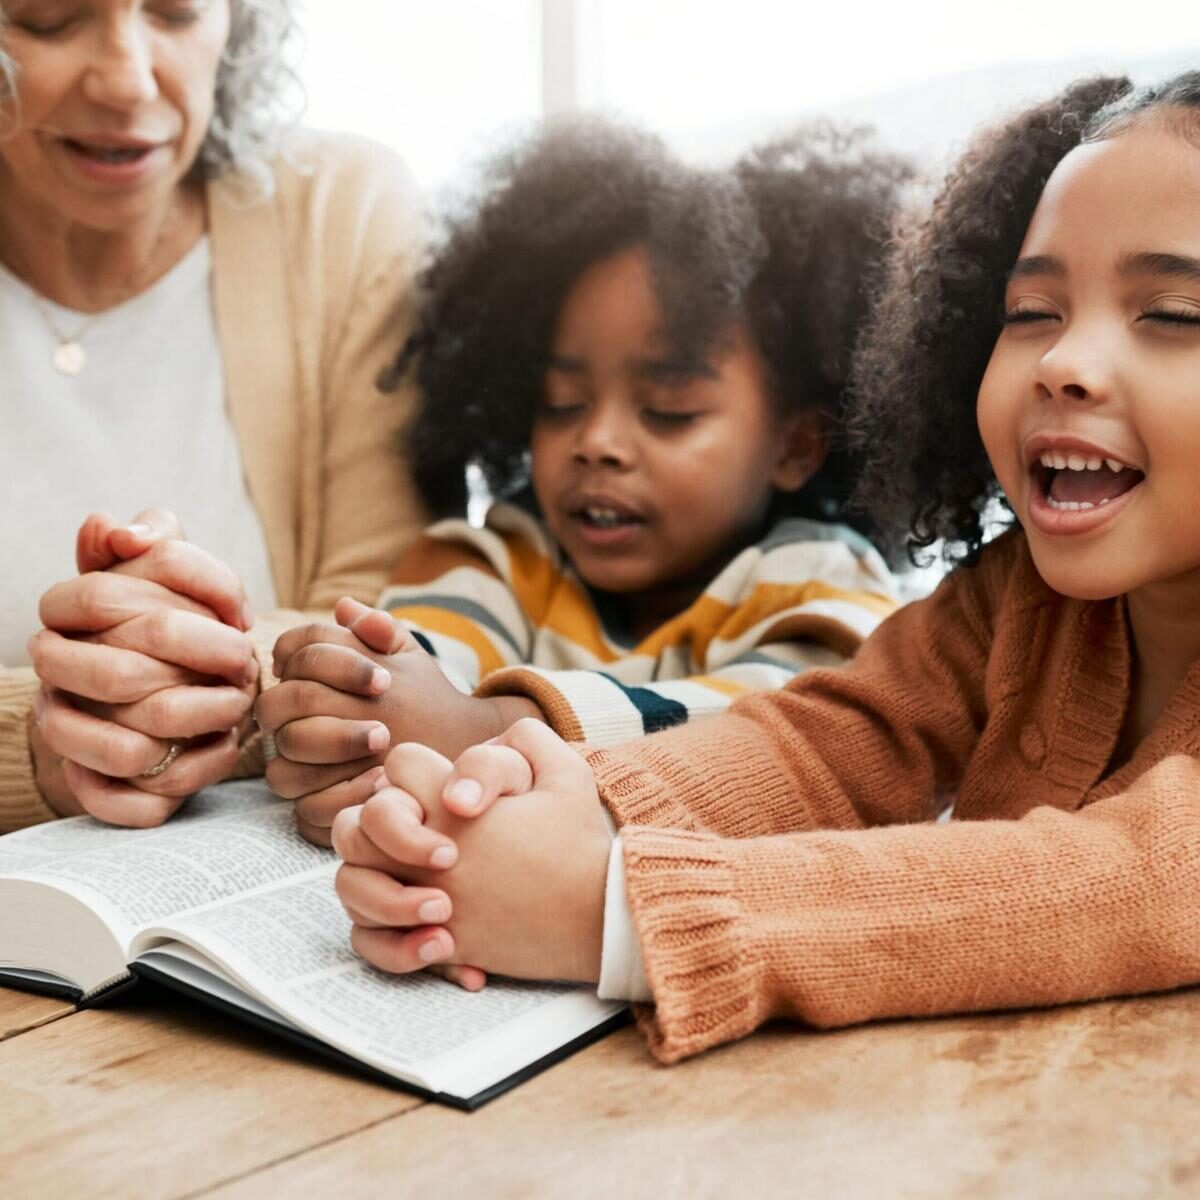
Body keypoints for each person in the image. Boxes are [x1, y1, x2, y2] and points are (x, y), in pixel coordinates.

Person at [330, 71, 1200, 1061]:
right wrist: (551, 799)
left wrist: (611, 909)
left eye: (1173, 314)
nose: (1061, 362)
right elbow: (830, 740)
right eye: (1031, 310)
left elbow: (1131, 882)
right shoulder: (1018, 600)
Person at [253, 121, 909, 845]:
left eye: (668, 411)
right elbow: (422, 665)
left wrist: (495, 725)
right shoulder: (504, 554)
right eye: (562, 404)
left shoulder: (823, 585)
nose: (596, 443)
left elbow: (777, 737)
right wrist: (361, 709)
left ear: (796, 444)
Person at [0, 0, 427, 833]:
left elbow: (405, 615)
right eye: (49, 18)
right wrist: (41, 740)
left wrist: (187, 677)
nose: (128, 80)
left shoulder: (340, 213)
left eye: (177, 10)